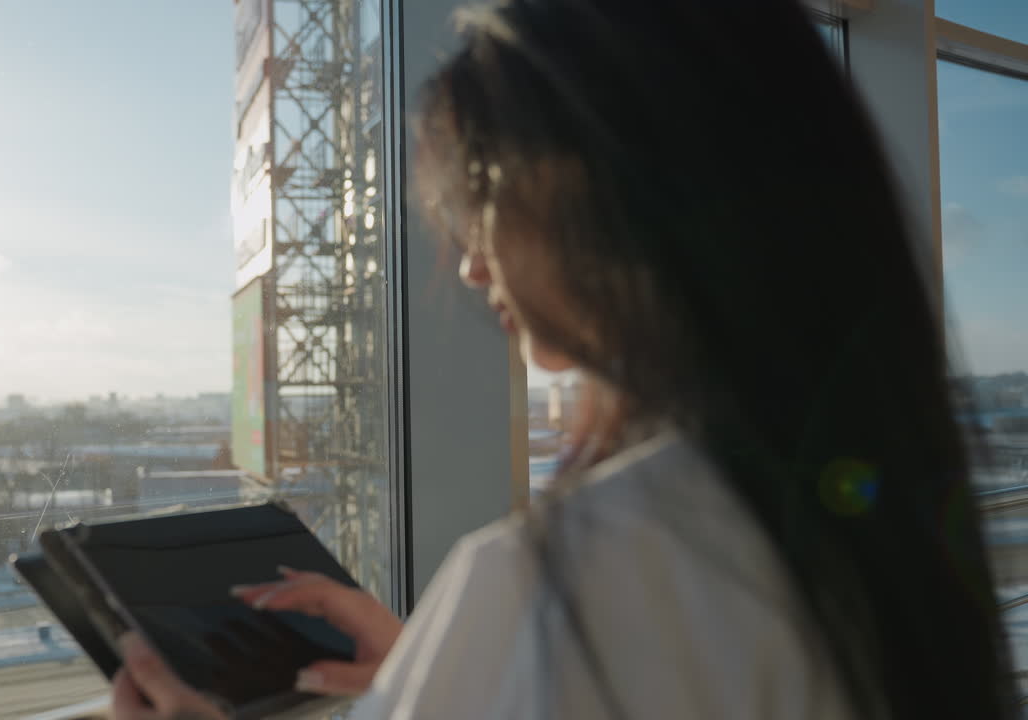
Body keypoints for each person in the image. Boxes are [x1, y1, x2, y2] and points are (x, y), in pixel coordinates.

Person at [111, 0, 1017, 717]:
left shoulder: (568, 574)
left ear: (607, 202)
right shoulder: (871, 507)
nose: (470, 263)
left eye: (482, 205)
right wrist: (435, 667)